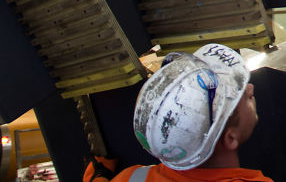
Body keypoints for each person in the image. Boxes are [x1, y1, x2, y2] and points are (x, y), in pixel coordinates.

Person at [84, 43, 270, 182]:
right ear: (230, 138)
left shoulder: (133, 178)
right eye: (241, 95)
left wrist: (97, 177)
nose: (250, 88)